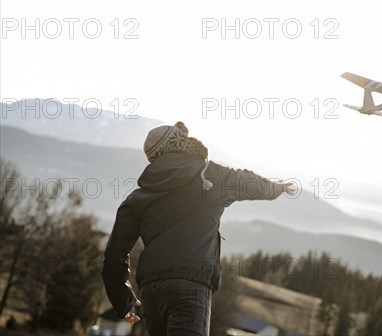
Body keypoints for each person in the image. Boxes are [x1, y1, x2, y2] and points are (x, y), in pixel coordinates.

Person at [101, 121, 296, 335]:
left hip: (152, 289)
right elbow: (246, 181)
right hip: (191, 286)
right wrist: (277, 188)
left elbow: (114, 256)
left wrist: (124, 303)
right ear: (181, 144)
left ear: (153, 158)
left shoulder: (137, 198)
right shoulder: (210, 175)